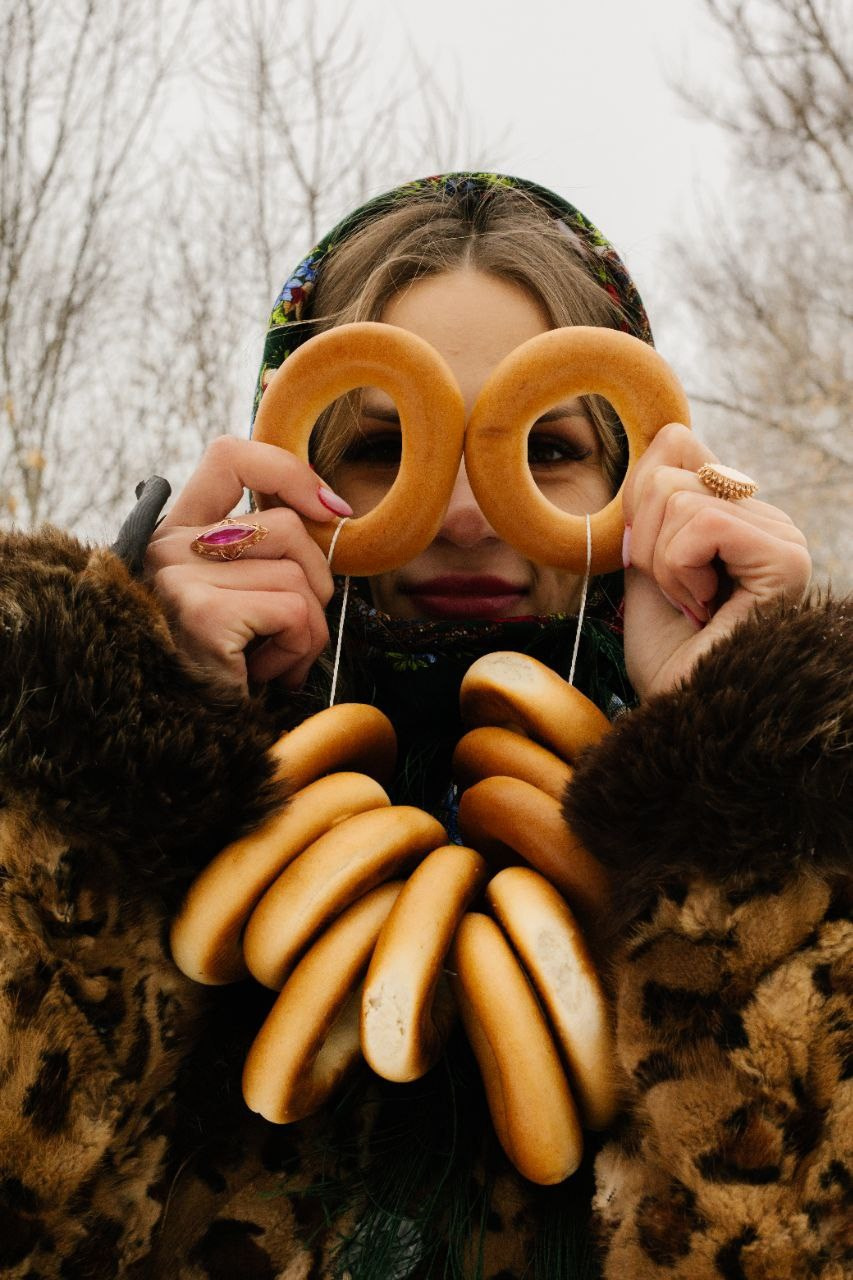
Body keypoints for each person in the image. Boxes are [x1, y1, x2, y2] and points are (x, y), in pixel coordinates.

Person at [0, 174, 848, 1280]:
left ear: (640, 481)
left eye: (547, 450)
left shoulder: (782, 845)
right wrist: (111, 740)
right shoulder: (123, 816)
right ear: (288, 474)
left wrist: (750, 761)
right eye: (380, 447)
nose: (462, 513)